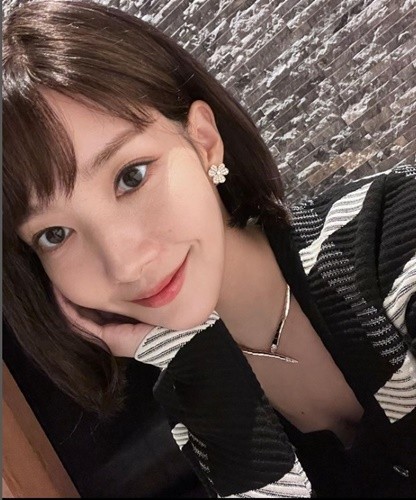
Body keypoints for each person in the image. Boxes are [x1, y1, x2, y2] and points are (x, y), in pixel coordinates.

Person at [3, 0, 416, 497]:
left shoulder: (394, 233)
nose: (126, 264)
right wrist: (196, 361)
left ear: (203, 141)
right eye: (55, 234)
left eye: (131, 176)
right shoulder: (196, 386)